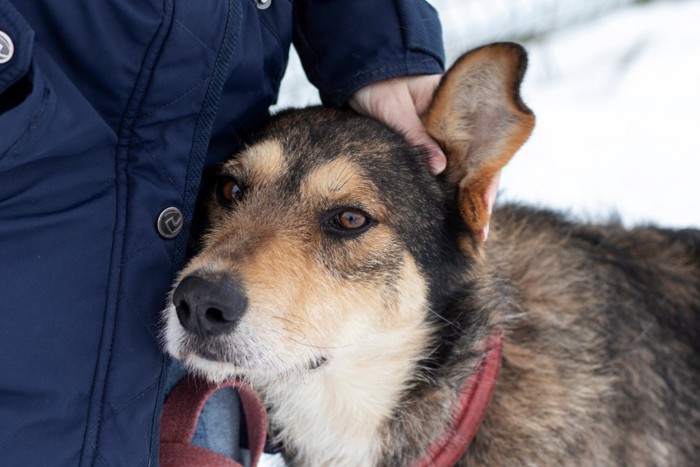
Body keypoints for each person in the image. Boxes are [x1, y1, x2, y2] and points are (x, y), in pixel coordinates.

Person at [0, 1, 494, 465]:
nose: (209, 291)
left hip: (184, 372)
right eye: (236, 193)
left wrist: (378, 39)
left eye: (348, 220)